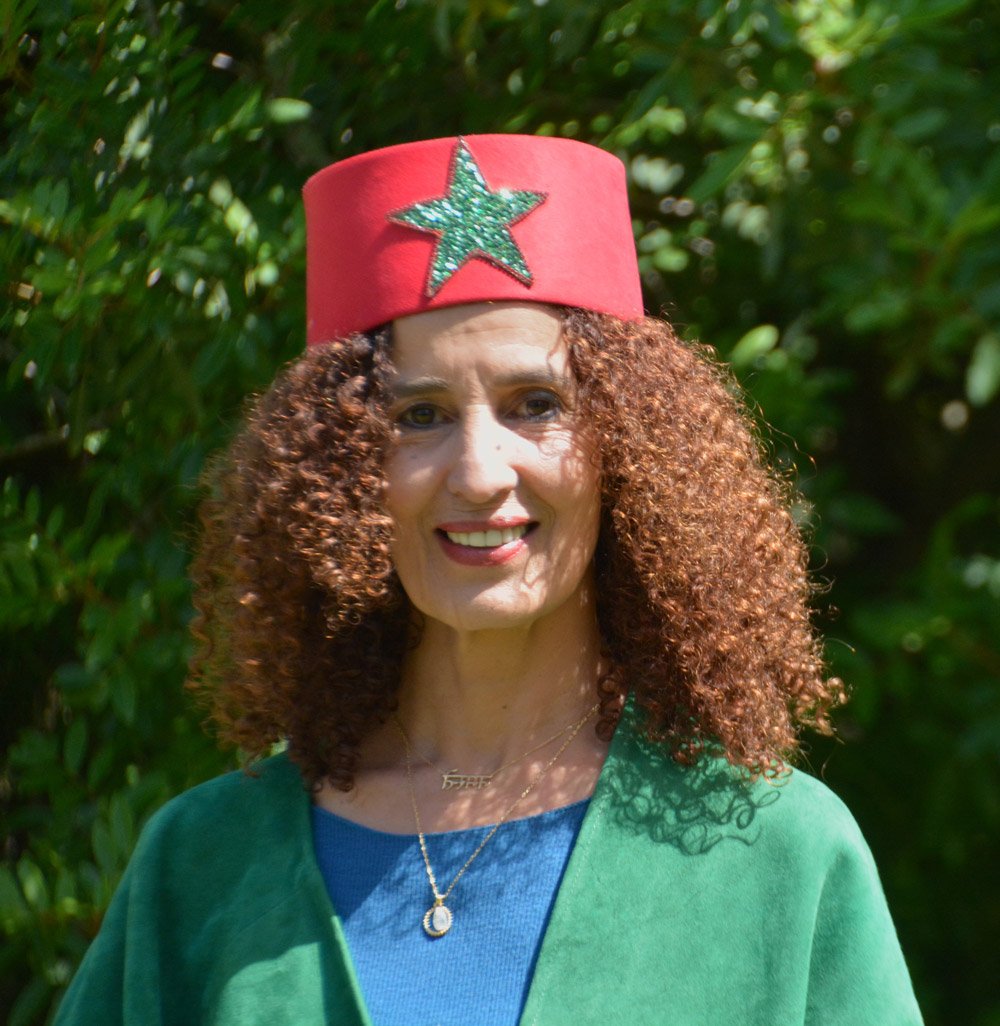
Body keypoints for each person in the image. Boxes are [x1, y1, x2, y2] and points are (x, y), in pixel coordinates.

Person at [54, 135, 923, 1025]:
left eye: (536, 405)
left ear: (629, 448)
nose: (478, 473)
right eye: (418, 415)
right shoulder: (201, 868)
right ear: (341, 464)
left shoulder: (779, 855)